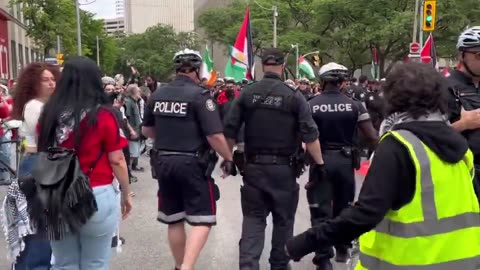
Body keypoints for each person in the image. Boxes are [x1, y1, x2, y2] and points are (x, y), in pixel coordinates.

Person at [287, 62, 480, 269]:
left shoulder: (399, 146)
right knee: (343, 203)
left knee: (323, 208)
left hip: (410, 261)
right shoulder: (461, 149)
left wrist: (305, 242)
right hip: (462, 261)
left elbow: (365, 214)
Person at [223, 48, 326, 270]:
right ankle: (279, 265)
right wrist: (320, 164)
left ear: (262, 65)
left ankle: (248, 265)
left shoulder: (247, 94)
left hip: (254, 170)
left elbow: (230, 130)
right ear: (282, 64)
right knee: (283, 222)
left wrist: (227, 159)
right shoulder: (294, 96)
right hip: (284, 172)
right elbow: (311, 136)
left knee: (253, 221)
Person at [142, 49, 236, 270]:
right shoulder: (201, 96)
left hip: (163, 162)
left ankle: (179, 265)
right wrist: (228, 157)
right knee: (203, 219)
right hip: (192, 163)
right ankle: (187, 267)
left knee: (173, 218)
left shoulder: (157, 94)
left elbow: (146, 130)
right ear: (196, 70)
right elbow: (214, 135)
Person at [37, 56, 132, 269]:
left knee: (63, 262)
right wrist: (126, 193)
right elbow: (117, 160)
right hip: (95, 191)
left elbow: (40, 151)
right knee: (95, 262)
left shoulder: (48, 114)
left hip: (55, 193)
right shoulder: (103, 114)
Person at [306, 62, 378, 270]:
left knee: (320, 210)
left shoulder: (311, 105)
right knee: (344, 207)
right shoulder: (355, 105)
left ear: (322, 81)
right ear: (342, 82)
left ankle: (322, 258)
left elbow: (302, 136)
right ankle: (343, 247)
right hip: (345, 162)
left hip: (320, 162)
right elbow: (372, 136)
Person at [2, 63, 59, 270]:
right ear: (34, 83)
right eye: (45, 79)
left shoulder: (47, 105)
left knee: (44, 221)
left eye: (53, 78)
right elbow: (48, 137)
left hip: (44, 162)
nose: (51, 83)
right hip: (38, 163)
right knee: (38, 221)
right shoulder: (35, 105)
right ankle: (35, 264)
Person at [446, 26, 480, 181]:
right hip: (462, 174)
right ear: (462, 55)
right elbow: (427, 136)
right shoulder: (443, 88)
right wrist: (463, 124)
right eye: (479, 55)